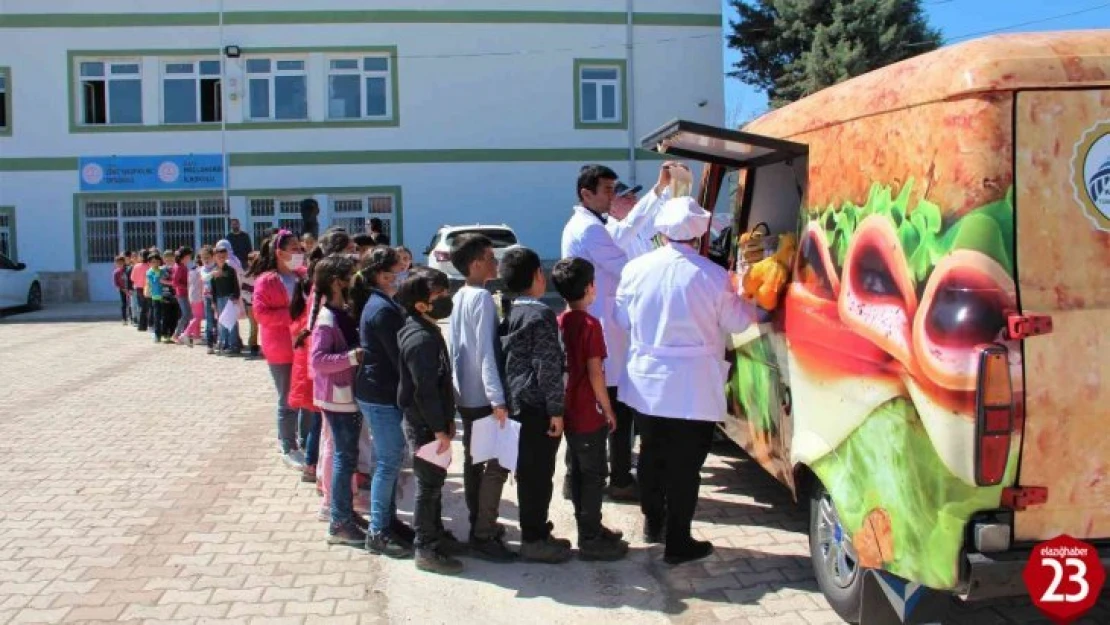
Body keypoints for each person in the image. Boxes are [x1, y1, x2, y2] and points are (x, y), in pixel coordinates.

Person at [614, 197, 755, 565]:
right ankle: (678, 542)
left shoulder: (635, 269)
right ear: (700, 234)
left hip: (647, 383)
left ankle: (652, 522)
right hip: (693, 387)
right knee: (685, 467)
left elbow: (623, 321)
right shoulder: (712, 275)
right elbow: (740, 324)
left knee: (650, 455)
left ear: (661, 231)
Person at [560, 164, 638, 502]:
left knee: (591, 403)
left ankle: (577, 477)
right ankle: (618, 478)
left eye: (613, 189)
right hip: (600, 326)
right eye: (606, 190)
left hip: (597, 322)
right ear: (586, 194)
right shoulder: (591, 230)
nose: (612, 196)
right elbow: (627, 268)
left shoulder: (588, 225)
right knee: (615, 406)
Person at [552, 257, 629, 561]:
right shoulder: (590, 324)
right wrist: (607, 407)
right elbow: (596, 371)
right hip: (587, 411)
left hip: (567, 409)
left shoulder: (559, 320)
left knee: (580, 471)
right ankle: (590, 537)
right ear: (589, 288)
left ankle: (591, 526)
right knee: (594, 474)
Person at [498, 247, 573, 563]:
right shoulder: (540, 314)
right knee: (538, 475)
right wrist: (556, 410)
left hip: (518, 403)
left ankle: (538, 529)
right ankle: (533, 539)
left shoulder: (513, 311)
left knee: (530, 472)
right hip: (536, 407)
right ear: (537, 276)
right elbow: (547, 366)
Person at [448, 234, 515, 562]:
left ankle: (479, 525)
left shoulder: (462, 295)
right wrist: (497, 398)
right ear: (475, 263)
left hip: (466, 392)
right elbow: (487, 352)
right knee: (494, 464)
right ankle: (484, 534)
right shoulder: (482, 299)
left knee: (475, 461)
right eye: (490, 257)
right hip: (483, 395)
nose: (495, 261)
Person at [396, 267, 464, 575]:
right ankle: (425, 546)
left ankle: (435, 534)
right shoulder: (419, 339)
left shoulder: (427, 327)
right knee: (428, 485)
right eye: (438, 295)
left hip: (433, 422)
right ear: (421, 304)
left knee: (435, 480)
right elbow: (425, 391)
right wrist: (439, 428)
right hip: (424, 424)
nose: (445, 299)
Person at [354, 247, 417, 558]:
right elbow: (399, 358)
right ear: (378, 275)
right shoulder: (382, 310)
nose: (398, 276)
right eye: (391, 273)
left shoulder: (385, 303)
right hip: (380, 395)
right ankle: (378, 531)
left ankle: (388, 521)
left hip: (380, 393)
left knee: (389, 458)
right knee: (389, 461)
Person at [306, 255, 367, 546]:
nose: (355, 279)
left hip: (348, 395)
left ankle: (345, 512)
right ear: (336, 282)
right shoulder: (327, 318)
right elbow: (318, 360)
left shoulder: (342, 310)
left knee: (348, 455)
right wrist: (352, 357)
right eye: (350, 275)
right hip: (336, 398)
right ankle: (339, 521)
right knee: (344, 457)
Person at [252, 229, 310, 468]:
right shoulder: (267, 280)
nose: (299, 252)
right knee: (287, 398)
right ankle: (288, 444)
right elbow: (260, 314)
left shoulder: (302, 276)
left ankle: (306, 440)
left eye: (300, 248)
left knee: (306, 396)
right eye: (294, 248)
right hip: (280, 348)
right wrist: (293, 315)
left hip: (303, 346)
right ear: (280, 252)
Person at [607, 163, 684, 260]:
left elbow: (661, 204)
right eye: (626, 197)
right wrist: (660, 185)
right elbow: (636, 217)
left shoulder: (642, 223)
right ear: (611, 205)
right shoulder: (609, 233)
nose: (634, 201)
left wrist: (673, 181)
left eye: (634, 196)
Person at [289, 275, 321, 485]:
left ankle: (310, 462)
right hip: (312, 377)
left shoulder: (303, 312)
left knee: (314, 420)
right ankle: (311, 463)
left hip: (308, 376)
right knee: (317, 422)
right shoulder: (309, 315)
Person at [209, 241, 243, 356]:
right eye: (218, 257)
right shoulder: (213, 272)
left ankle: (234, 346)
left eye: (223, 256)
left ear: (227, 256)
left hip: (229, 298)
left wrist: (235, 297)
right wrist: (213, 301)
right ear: (214, 257)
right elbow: (212, 288)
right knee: (222, 322)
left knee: (232, 321)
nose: (221, 258)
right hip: (219, 298)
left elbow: (235, 285)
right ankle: (224, 344)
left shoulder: (230, 270)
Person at [172, 247, 194, 345]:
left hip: (185, 293)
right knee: (186, 314)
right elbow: (175, 282)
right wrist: (187, 286)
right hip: (182, 294)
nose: (190, 258)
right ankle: (176, 335)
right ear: (184, 256)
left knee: (188, 314)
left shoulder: (182, 266)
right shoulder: (179, 267)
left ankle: (185, 334)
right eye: (189, 256)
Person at [145, 252, 167, 343]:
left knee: (165, 316)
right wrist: (158, 273)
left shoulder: (163, 270)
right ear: (149, 263)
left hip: (165, 295)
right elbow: (153, 282)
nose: (155, 264)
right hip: (155, 297)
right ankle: (157, 335)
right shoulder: (149, 272)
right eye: (153, 262)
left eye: (157, 261)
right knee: (157, 317)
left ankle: (166, 333)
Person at [132, 250, 151, 332]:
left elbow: (132, 278)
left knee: (142, 307)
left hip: (138, 288)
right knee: (147, 307)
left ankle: (142, 325)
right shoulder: (150, 266)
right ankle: (145, 325)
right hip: (147, 288)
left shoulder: (136, 266)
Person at [113, 255, 129, 325]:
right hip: (122, 290)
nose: (119, 264)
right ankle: (124, 319)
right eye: (118, 263)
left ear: (124, 262)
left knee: (131, 304)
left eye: (121, 263)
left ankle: (132, 318)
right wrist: (122, 289)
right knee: (124, 304)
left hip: (130, 289)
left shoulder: (128, 270)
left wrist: (128, 289)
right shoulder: (116, 272)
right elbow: (115, 283)